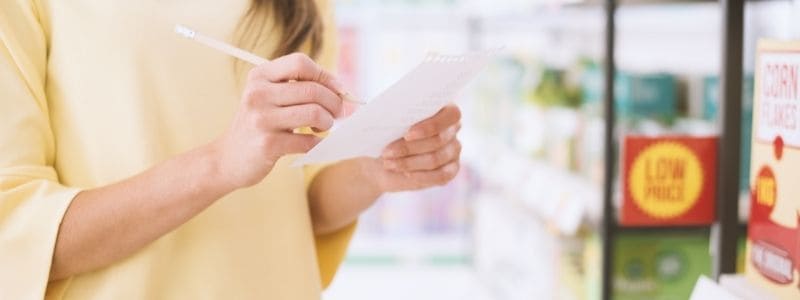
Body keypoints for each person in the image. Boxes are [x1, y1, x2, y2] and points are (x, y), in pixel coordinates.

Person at [0, 0, 462, 299]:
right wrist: (221, 164)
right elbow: (17, 235)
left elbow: (298, 201)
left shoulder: (308, 5)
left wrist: (375, 168)